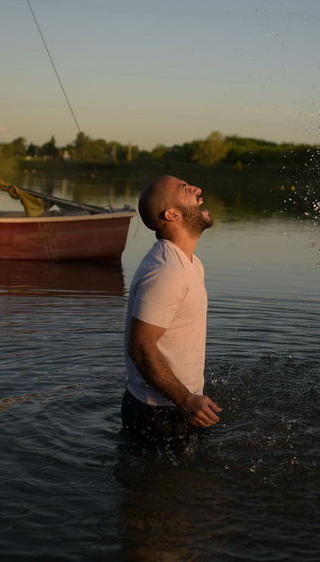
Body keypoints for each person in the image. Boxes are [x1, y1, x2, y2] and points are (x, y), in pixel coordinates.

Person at [121, 176, 222, 449]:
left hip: (175, 405)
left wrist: (189, 400)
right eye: (184, 188)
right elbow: (141, 347)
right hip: (157, 412)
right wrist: (186, 400)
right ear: (172, 214)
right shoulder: (166, 271)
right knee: (159, 490)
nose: (197, 189)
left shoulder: (190, 263)